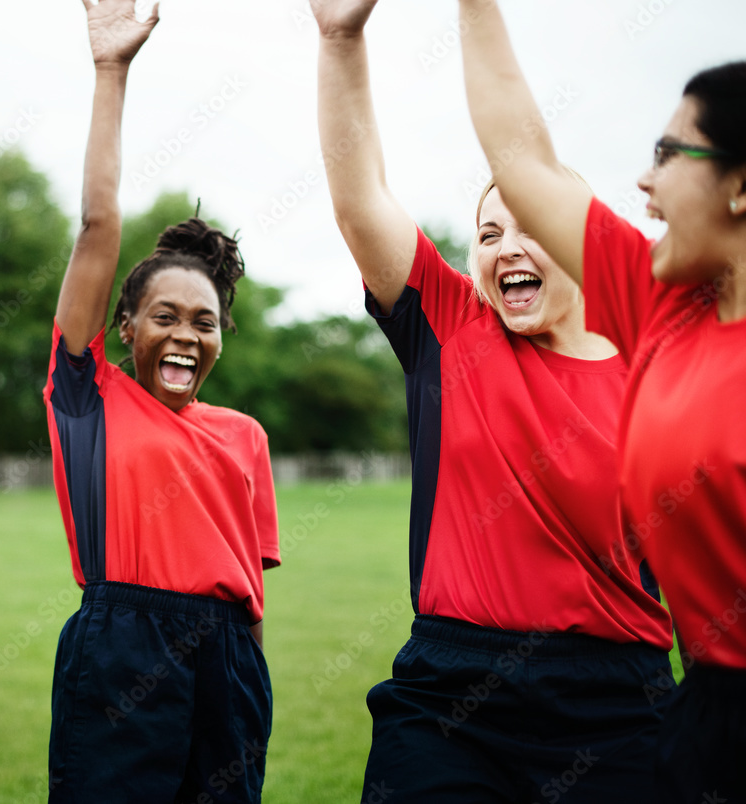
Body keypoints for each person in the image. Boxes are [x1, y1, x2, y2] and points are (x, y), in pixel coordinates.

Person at [309, 1, 678, 801]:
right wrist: (340, 38)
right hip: (451, 695)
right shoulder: (449, 326)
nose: (506, 246)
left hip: (617, 701)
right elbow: (358, 198)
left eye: (528, 224)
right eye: (486, 233)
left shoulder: (655, 356)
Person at [458, 2, 746, 801]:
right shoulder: (662, 306)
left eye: (669, 154)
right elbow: (523, 160)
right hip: (705, 712)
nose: (644, 181)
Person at [42, 2, 280, 802]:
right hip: (120, 649)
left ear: (222, 336)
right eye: (165, 318)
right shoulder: (88, 398)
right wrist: (113, 72)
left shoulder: (245, 435)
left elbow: (251, 597)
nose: (185, 336)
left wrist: (244, 679)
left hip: (229, 664)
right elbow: (99, 225)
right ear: (124, 327)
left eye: (204, 322)